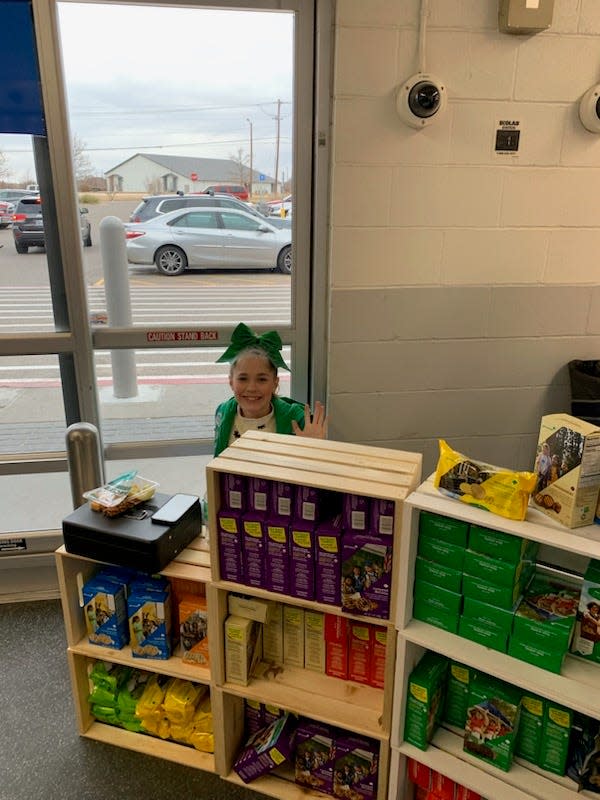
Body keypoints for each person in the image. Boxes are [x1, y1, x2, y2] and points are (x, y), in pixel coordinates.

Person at [213, 322, 328, 455]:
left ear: (275, 383)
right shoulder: (223, 412)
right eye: (243, 378)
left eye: (262, 379)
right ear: (231, 382)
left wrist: (314, 449)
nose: (251, 388)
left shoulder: (297, 421)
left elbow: (310, 469)